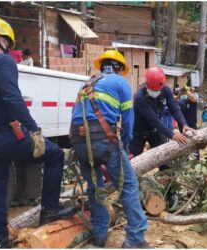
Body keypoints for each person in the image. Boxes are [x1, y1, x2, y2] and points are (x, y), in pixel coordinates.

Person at [0, 17, 77, 248]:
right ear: (2, 39)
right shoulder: (3, 62)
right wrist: (33, 129)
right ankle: (50, 211)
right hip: (3, 135)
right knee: (55, 155)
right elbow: (11, 97)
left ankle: (0, 238)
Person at [70, 50, 149, 248]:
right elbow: (128, 119)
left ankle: (99, 234)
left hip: (79, 142)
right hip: (105, 140)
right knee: (128, 186)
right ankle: (135, 238)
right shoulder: (120, 82)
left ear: (102, 65)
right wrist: (125, 143)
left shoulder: (87, 83)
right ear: (120, 68)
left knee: (95, 188)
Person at [129, 67, 195, 203]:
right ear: (147, 85)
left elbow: (174, 108)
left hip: (155, 130)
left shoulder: (165, 90)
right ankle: (133, 196)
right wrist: (172, 134)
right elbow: (153, 119)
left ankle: (170, 193)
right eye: (153, 90)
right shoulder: (140, 97)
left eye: (157, 90)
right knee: (133, 163)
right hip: (138, 131)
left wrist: (183, 124)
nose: (155, 93)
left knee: (165, 161)